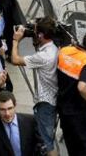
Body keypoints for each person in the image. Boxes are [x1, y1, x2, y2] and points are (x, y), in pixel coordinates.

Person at [11, 17, 59, 156]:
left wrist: (15, 40)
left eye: (36, 31)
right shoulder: (53, 48)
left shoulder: (43, 56)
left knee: (47, 143)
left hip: (46, 103)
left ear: (41, 35)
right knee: (48, 140)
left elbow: (15, 59)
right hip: (51, 100)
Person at [57, 26, 86, 156]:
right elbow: (82, 87)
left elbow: (71, 74)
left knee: (71, 147)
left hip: (63, 109)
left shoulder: (65, 51)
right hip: (78, 113)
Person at [0, 91, 40, 156]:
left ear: (15, 106)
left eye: (10, 108)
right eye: (2, 109)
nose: (7, 113)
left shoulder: (31, 122)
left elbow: (41, 145)